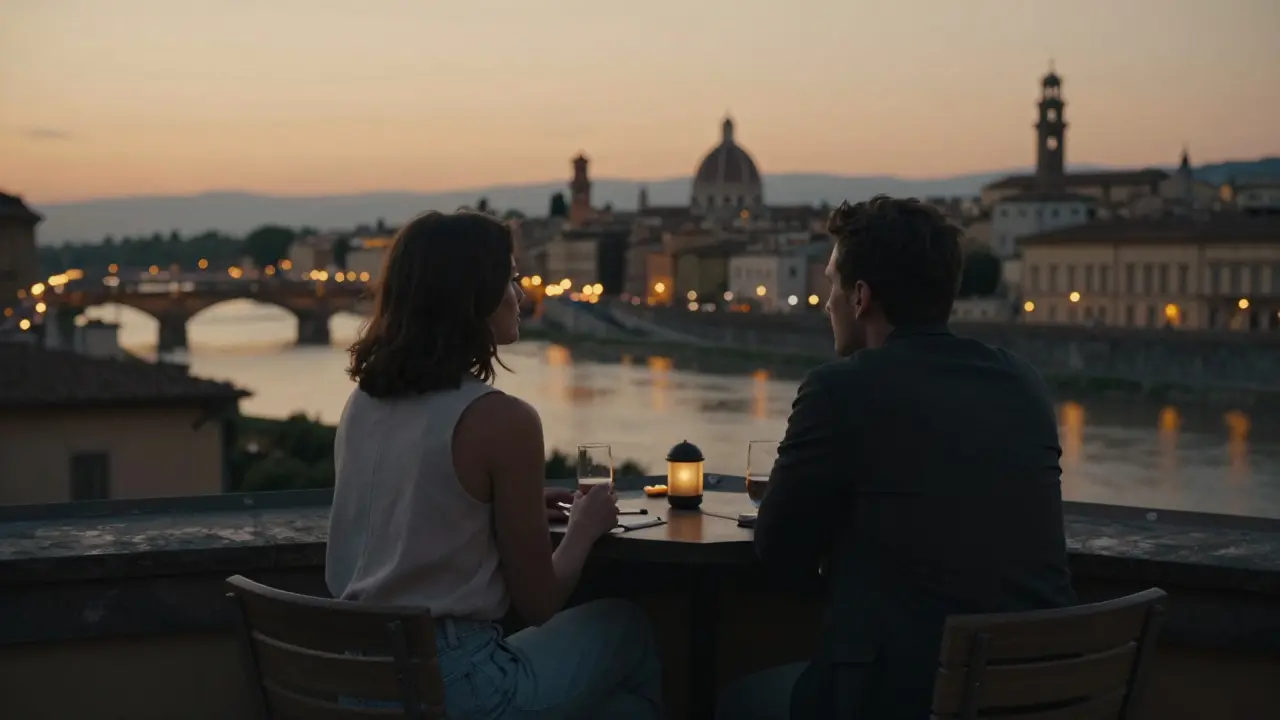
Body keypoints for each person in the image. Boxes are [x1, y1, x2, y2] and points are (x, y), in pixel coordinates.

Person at [717, 196, 1077, 720]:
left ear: (860, 296)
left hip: (905, 699)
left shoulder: (839, 390)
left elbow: (779, 548)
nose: (826, 303)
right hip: (1044, 694)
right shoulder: (1023, 383)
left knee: (735, 704)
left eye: (832, 284)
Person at [326, 210, 663, 719]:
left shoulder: (362, 403)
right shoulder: (502, 420)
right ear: (473, 298)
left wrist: (512, 505)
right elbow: (540, 602)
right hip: (457, 686)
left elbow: (420, 504)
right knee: (628, 629)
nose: (521, 295)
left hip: (362, 681)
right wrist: (585, 528)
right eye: (509, 278)